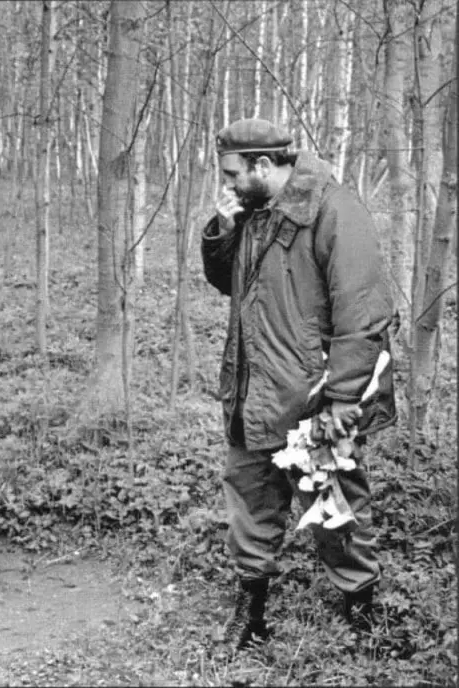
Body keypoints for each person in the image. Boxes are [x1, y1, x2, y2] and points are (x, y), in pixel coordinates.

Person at [200, 118, 397, 653]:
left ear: (265, 166)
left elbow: (365, 316)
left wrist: (340, 398)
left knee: (335, 509)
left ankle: (361, 618)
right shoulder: (253, 212)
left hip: (312, 399)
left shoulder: (336, 211)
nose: (229, 185)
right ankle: (250, 614)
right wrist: (221, 231)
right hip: (253, 389)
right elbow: (231, 284)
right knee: (249, 500)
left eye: (233, 175)